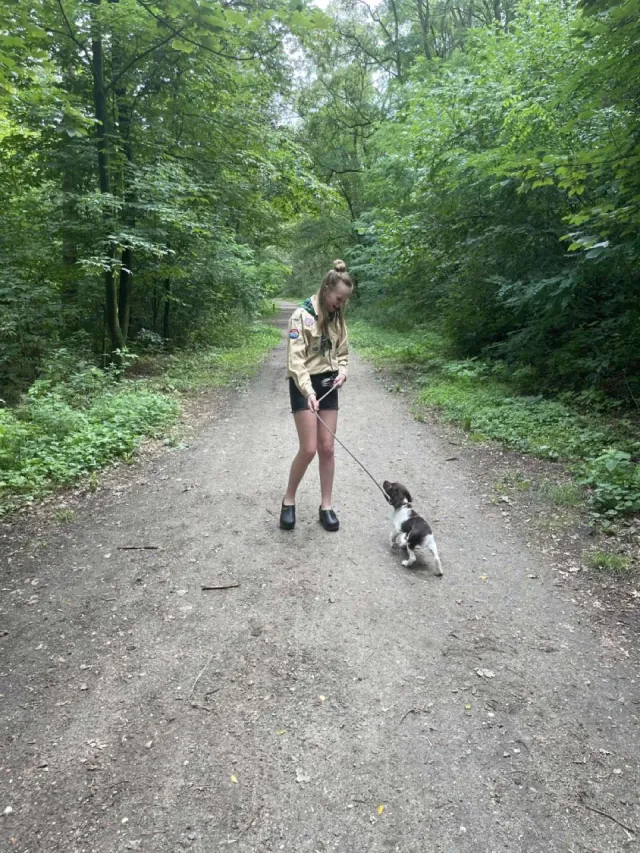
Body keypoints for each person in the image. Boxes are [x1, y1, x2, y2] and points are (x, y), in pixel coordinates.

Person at [280, 259, 353, 532]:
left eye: (345, 300)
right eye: (338, 298)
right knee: (309, 448)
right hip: (303, 385)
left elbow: (343, 353)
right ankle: (288, 500)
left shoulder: (338, 318)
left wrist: (343, 372)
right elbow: (295, 362)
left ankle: (326, 506)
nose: (341, 304)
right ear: (326, 290)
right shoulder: (301, 316)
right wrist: (309, 391)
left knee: (327, 447)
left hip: (328, 383)